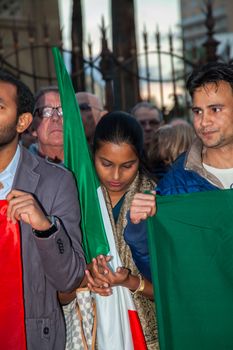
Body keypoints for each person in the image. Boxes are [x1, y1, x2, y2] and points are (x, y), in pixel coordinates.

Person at [0, 71, 85, 349]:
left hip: (30, 335)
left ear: (23, 121)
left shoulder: (55, 182)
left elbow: (69, 278)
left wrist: (45, 227)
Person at [126, 61, 233, 272]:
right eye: (198, 111)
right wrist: (139, 232)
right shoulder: (175, 185)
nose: (204, 121)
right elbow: (163, 273)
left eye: (215, 109)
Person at [85, 111, 159, 349]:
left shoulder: (156, 200)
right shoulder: (79, 197)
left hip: (147, 333)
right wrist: (87, 275)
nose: (116, 176)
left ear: (140, 157)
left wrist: (130, 282)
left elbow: (174, 289)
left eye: (127, 166)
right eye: (106, 164)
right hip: (94, 329)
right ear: (92, 155)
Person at [30, 86, 64, 163]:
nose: (55, 118)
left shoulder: (89, 166)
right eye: (46, 112)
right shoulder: (18, 168)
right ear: (32, 128)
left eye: (63, 111)